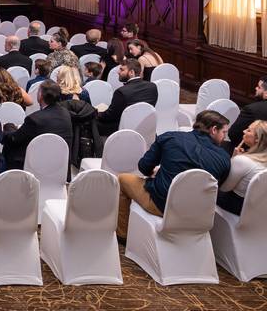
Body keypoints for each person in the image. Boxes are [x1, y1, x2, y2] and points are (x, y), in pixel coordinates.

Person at [115, 110, 230, 240]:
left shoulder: (169, 137)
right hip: (197, 212)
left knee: (122, 178)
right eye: (224, 133)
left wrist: (156, 173)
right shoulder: (224, 158)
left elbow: (143, 167)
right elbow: (215, 186)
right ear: (214, 130)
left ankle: (122, 235)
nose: (225, 137)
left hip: (163, 206)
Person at [1, 80, 72, 171]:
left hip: (38, 166)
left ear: (40, 95)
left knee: (9, 145)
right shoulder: (66, 113)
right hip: (61, 166)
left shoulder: (35, 119)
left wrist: (7, 128)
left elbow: (14, 139)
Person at [96, 58, 158, 136]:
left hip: (122, 129)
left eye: (122, 70)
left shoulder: (121, 92)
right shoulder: (152, 86)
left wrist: (96, 113)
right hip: (144, 127)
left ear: (131, 72)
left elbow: (109, 116)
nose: (118, 72)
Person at [218, 120, 267, 215]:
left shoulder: (243, 161)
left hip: (238, 206)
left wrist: (233, 160)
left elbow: (224, 188)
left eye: (249, 130)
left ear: (258, 139)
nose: (244, 131)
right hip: (260, 209)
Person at [228, 76, 267, 149]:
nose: (255, 88)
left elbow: (232, 134)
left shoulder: (251, 110)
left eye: (259, 87)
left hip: (252, 151)